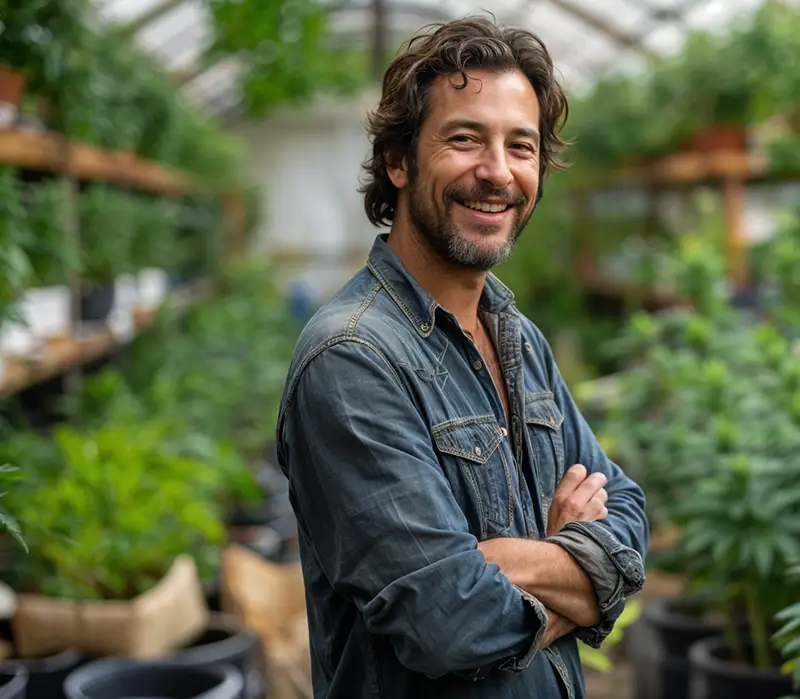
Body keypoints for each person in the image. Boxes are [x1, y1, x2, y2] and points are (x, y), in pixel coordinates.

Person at [276, 15, 648, 699]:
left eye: (522, 146)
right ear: (398, 161)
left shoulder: (518, 336)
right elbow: (448, 622)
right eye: (465, 138)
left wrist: (509, 564)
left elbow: (628, 518)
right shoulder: (353, 359)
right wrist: (576, 562)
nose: (498, 172)